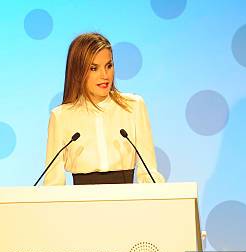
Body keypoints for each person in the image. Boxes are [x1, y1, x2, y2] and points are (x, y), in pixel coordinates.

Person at [44, 32, 166, 186]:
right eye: (94, 68)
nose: (105, 75)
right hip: (81, 205)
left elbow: (148, 172)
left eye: (109, 66)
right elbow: (53, 183)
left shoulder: (134, 106)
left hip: (126, 203)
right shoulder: (61, 116)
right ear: (77, 72)